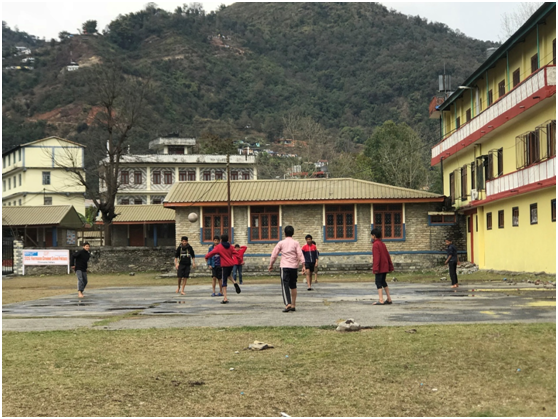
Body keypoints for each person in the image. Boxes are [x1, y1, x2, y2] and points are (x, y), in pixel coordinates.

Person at [269, 225, 305, 312]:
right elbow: (300, 254)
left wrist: (271, 264)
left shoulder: (281, 243)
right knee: (293, 285)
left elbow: (274, 254)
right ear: (293, 233)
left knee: (285, 285)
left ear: (284, 233)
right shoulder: (296, 243)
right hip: (293, 266)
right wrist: (303, 265)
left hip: (284, 266)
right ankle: (293, 304)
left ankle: (288, 303)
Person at [205, 234, 240, 304]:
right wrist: (239, 259)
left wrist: (206, 257)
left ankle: (225, 298)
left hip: (224, 265)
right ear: (228, 239)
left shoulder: (219, 247)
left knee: (224, 281)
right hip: (231, 264)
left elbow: (211, 253)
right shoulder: (230, 246)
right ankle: (234, 282)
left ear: (221, 240)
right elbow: (236, 253)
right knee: (228, 275)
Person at [371, 228, 394, 305]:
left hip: (380, 267)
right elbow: (387, 255)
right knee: (383, 282)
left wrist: (375, 268)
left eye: (371, 235)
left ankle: (381, 300)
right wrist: (390, 266)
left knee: (378, 282)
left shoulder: (375, 244)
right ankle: (389, 298)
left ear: (374, 236)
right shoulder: (382, 244)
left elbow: (376, 258)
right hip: (385, 266)